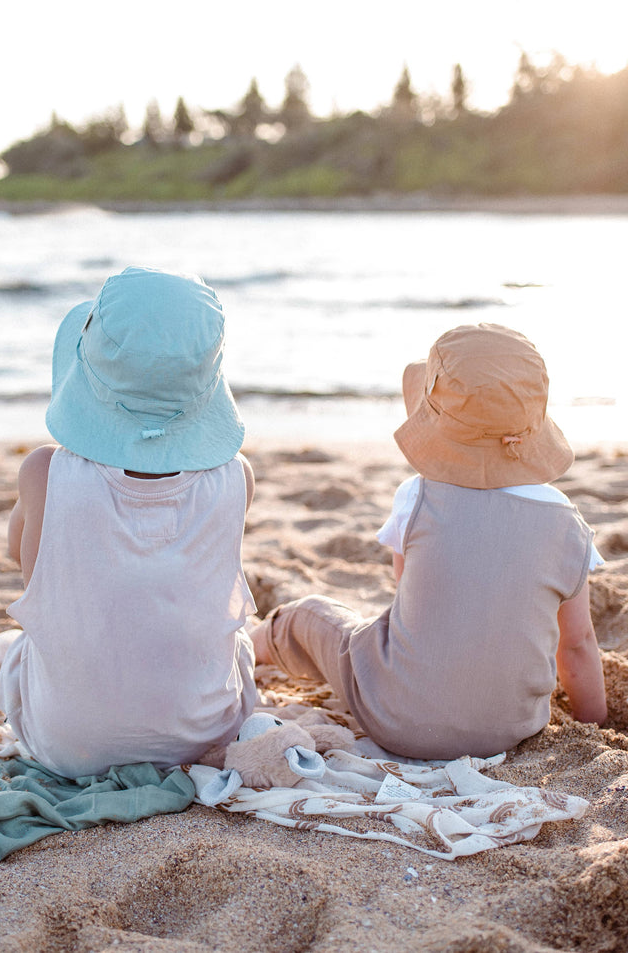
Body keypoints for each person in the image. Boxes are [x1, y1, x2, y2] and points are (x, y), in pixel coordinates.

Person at [252, 323, 607, 760]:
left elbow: (409, 595)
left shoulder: (417, 497)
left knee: (307, 616)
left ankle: (249, 649)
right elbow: (577, 644)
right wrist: (595, 730)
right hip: (512, 730)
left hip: (399, 722)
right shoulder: (565, 522)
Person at [0, 266, 257, 778]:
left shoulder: (43, 472)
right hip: (204, 732)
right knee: (237, 640)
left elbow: (27, 569)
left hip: (70, 747)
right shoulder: (237, 477)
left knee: (24, 651)